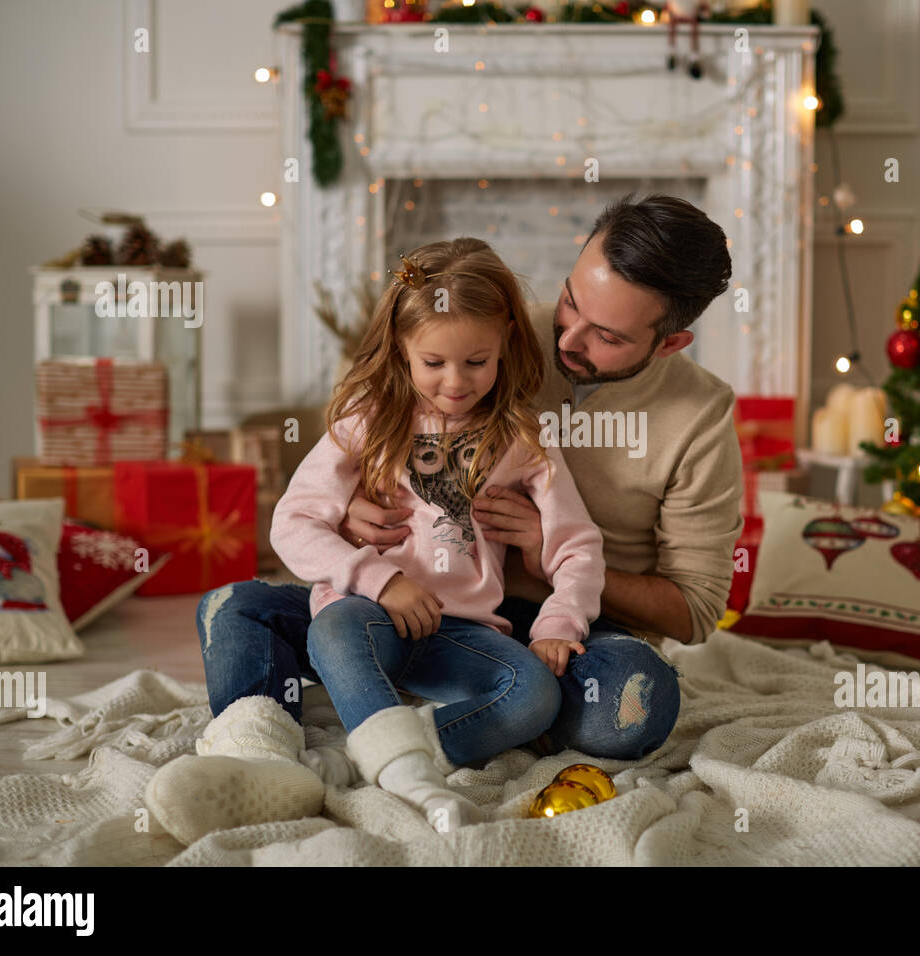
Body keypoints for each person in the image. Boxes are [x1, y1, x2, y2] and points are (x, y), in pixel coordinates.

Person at [186, 193, 742, 809]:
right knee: (234, 608)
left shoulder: (698, 418)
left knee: (632, 705)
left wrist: (542, 554)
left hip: (559, 631)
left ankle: (390, 735)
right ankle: (260, 751)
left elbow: (695, 610)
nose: (566, 337)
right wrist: (347, 519)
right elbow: (341, 459)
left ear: (670, 343)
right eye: (569, 301)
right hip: (394, 595)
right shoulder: (485, 321)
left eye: (606, 336)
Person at [145, 238, 605, 843]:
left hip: (456, 635)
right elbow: (292, 521)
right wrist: (379, 579)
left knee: (533, 696)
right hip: (361, 626)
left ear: (505, 347)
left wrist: (557, 625)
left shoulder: (522, 439)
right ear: (401, 350)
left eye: (477, 361)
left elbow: (579, 547)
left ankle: (355, 763)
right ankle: (265, 757)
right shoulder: (367, 420)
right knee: (237, 607)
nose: (456, 382)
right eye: (434, 362)